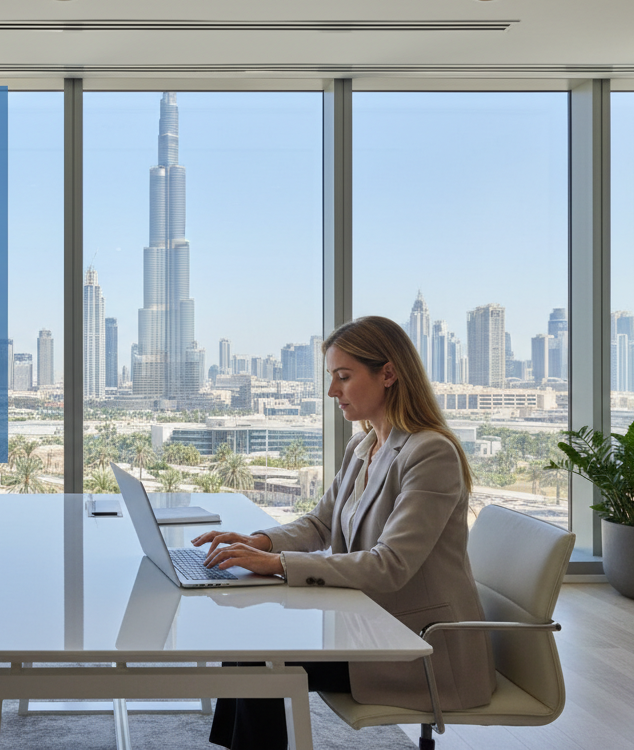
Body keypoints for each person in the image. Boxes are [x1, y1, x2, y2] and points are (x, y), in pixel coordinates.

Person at [193, 315, 496, 750]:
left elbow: (389, 566)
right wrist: (258, 543)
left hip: (419, 648)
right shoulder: (364, 445)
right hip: (368, 625)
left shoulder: (431, 453)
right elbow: (320, 523)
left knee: (258, 658)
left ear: (388, 374)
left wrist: (277, 565)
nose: (333, 390)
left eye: (343, 377)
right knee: (247, 646)